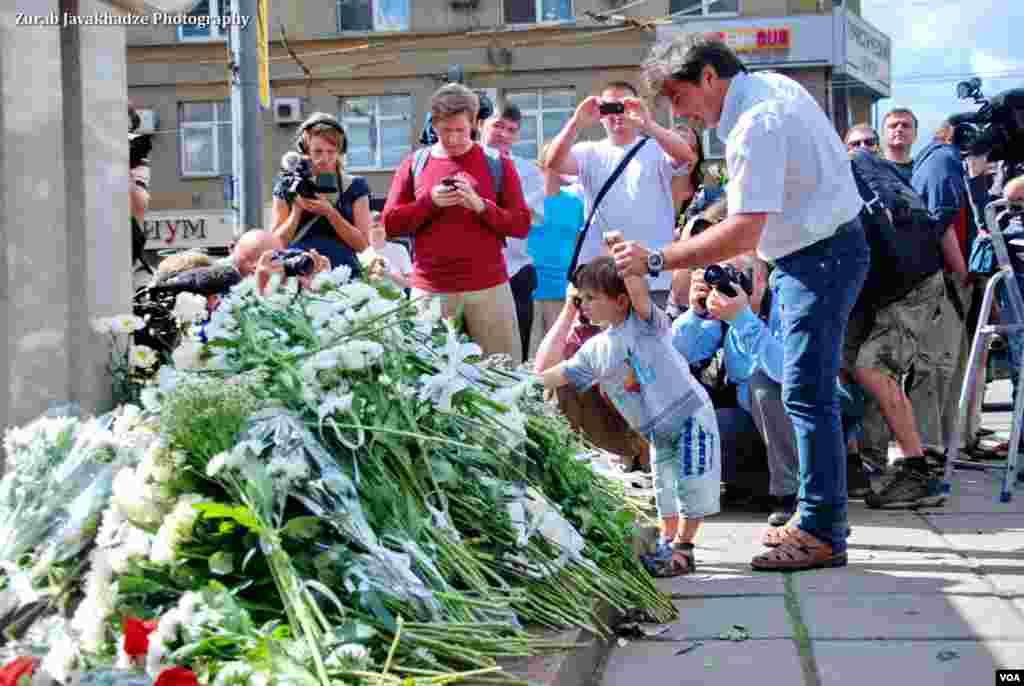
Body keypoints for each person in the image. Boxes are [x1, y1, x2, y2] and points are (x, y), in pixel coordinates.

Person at [614, 33, 868, 571]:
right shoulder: (769, 88)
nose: (683, 114)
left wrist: (658, 259)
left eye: (680, 99)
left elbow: (743, 231)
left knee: (804, 392)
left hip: (817, 256)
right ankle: (814, 514)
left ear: (709, 76)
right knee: (804, 389)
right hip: (818, 250)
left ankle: (822, 529)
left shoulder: (757, 123)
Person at [533, 255, 720, 577]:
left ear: (620, 301)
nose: (584, 304)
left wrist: (626, 260)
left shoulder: (647, 325)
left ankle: (684, 548)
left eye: (591, 298)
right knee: (664, 487)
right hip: (658, 429)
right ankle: (667, 540)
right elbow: (563, 372)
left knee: (693, 482)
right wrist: (523, 384)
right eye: (581, 298)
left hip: (690, 415)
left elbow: (639, 293)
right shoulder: (597, 348)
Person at [382, 83, 531, 360]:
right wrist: (430, 203)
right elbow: (389, 224)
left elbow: (521, 225)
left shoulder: (497, 162)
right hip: (431, 290)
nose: (452, 138)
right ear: (433, 125)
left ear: (475, 123)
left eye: (460, 130)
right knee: (427, 381)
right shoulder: (415, 163)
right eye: (444, 131)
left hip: (489, 288)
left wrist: (481, 206)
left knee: (503, 378)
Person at [546, 80, 698, 305]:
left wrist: (648, 124)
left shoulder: (655, 147)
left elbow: (686, 156)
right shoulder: (589, 151)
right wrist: (576, 123)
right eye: (609, 108)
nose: (617, 115)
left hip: (651, 276)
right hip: (602, 280)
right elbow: (553, 163)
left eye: (624, 107)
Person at [908, 119, 972, 468]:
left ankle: (947, 443)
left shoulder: (940, 160)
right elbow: (942, 220)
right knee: (936, 365)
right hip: (943, 279)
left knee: (951, 363)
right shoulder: (944, 159)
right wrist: (962, 272)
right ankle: (930, 445)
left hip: (945, 278)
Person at [479, 104, 545, 362]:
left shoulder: (528, 171)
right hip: (470, 273)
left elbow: (524, 218)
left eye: (511, 130)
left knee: (512, 357)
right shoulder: (459, 162)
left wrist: (486, 211)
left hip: (515, 272)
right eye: (497, 125)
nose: (503, 134)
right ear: (480, 124)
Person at [271, 113, 370, 275]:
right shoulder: (288, 184)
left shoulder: (354, 185)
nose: (324, 159)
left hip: (343, 273)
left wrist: (330, 213)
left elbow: (363, 245)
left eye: (331, 152)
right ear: (305, 150)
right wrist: (297, 211)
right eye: (317, 152)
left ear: (340, 151)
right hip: (297, 272)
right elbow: (276, 244)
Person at [527, 143, 585, 360]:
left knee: (560, 359)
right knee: (529, 360)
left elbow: (580, 247)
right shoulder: (527, 199)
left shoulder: (575, 203)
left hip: (563, 294)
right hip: (530, 292)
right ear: (548, 163)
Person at [368, 212, 413, 291]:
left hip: (397, 299)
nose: (379, 229)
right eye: (375, 226)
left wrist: (388, 274)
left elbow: (410, 283)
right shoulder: (361, 252)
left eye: (382, 226)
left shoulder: (399, 249)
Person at [882, 108, 918, 182]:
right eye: (893, 125)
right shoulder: (872, 169)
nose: (899, 129)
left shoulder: (921, 171)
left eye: (905, 125)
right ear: (883, 134)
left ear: (915, 134)